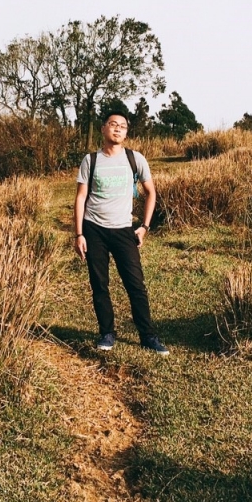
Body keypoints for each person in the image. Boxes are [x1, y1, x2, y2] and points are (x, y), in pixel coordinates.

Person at [74, 111, 169, 354]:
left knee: (135, 285)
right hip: (94, 229)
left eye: (123, 126)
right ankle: (106, 333)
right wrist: (79, 234)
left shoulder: (134, 158)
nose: (117, 129)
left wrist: (144, 227)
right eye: (113, 124)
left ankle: (148, 336)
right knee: (99, 284)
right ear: (103, 128)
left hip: (124, 230)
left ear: (127, 132)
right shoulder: (91, 160)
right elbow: (81, 197)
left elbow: (151, 193)